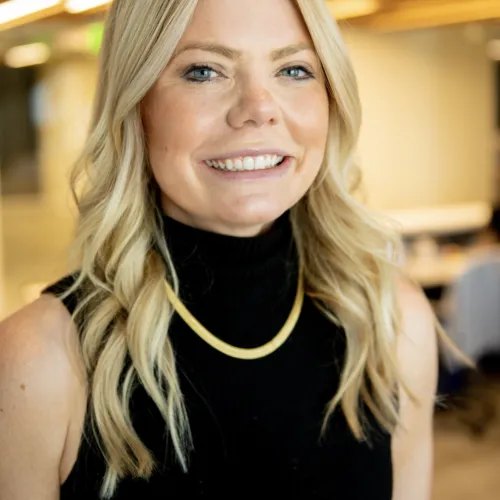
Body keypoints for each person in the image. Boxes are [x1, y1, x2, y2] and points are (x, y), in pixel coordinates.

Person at [0, 0, 438, 499]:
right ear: (136, 104)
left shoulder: (391, 322)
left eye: (294, 69)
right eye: (204, 71)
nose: (258, 108)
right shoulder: (36, 363)